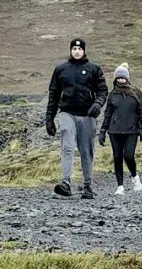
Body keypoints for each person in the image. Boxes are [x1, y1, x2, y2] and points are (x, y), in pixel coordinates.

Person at [45, 37, 107, 199]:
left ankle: (88, 186)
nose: (77, 52)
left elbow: (102, 91)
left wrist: (97, 105)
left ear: (84, 51)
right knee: (67, 145)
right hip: (67, 112)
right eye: (74, 49)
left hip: (87, 115)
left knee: (86, 150)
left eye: (80, 49)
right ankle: (65, 182)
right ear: (70, 50)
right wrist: (49, 118)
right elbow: (53, 94)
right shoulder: (61, 69)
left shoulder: (94, 69)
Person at [98, 63, 142, 194]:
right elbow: (107, 114)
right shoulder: (112, 94)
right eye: (118, 78)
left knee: (129, 156)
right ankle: (120, 186)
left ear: (127, 78)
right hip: (115, 131)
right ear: (115, 79)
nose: (121, 80)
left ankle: (134, 176)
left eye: (123, 77)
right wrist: (102, 131)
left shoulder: (136, 93)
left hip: (132, 130)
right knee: (117, 156)